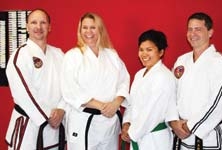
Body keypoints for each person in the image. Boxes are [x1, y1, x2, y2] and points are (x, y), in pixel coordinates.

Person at [60, 12, 130, 150]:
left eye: (93, 27)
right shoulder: (72, 56)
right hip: (83, 120)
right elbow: (70, 90)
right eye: (84, 27)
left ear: (100, 29)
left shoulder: (112, 55)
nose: (88, 32)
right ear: (79, 31)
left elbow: (124, 81)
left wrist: (116, 103)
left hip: (108, 122)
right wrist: (101, 106)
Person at [171, 12, 222, 150]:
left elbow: (220, 103)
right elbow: (170, 94)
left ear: (210, 32)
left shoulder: (220, 62)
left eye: (198, 29)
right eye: (190, 29)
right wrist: (173, 122)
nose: (192, 33)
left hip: (208, 138)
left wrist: (190, 126)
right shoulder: (181, 61)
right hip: (181, 136)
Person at [5, 9, 66, 150]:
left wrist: (62, 109)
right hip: (29, 128)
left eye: (43, 22)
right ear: (27, 27)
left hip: (55, 128)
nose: (38, 27)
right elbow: (23, 94)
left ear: (49, 27)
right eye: (34, 22)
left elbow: (69, 86)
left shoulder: (59, 54)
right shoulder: (20, 55)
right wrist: (48, 116)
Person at [121, 29, 178, 150]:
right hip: (137, 134)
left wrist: (132, 133)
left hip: (154, 139)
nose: (144, 54)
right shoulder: (139, 74)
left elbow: (153, 111)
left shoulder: (164, 76)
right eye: (141, 50)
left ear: (161, 52)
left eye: (149, 50)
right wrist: (126, 123)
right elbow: (131, 104)